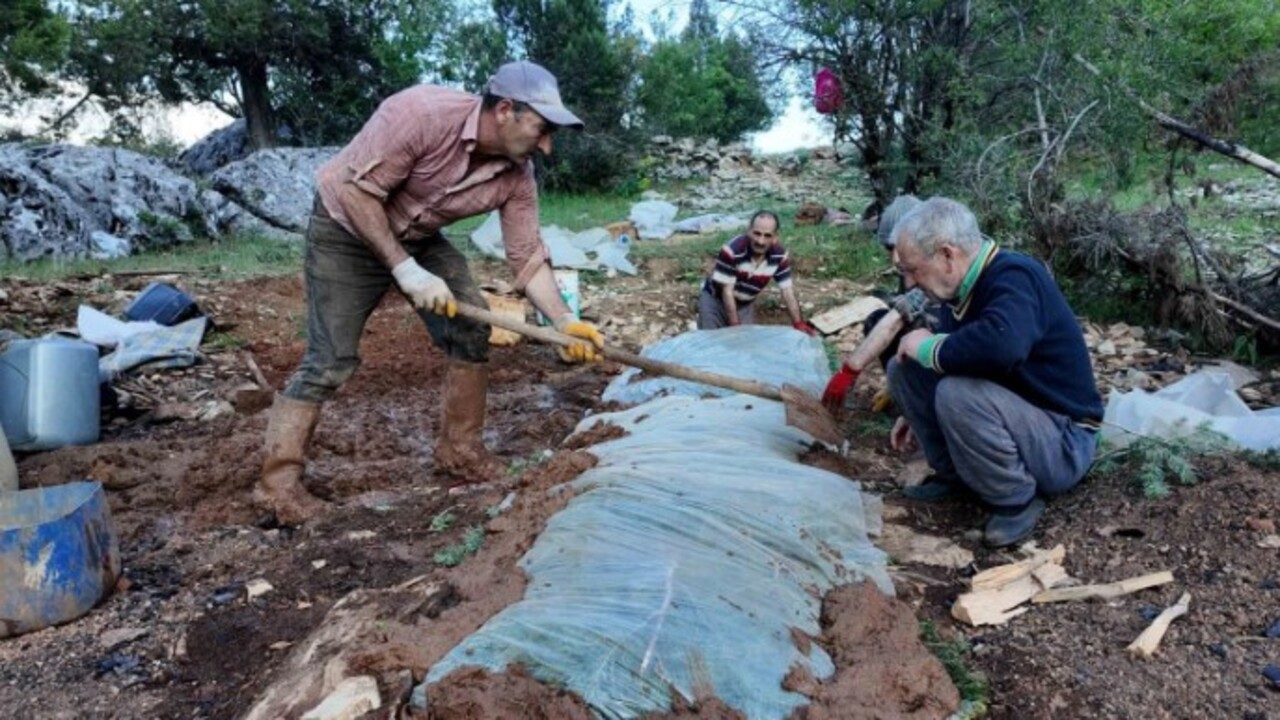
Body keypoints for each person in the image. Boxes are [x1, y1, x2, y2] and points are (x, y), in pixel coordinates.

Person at [257, 61, 606, 525]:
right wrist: (405, 270)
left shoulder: (517, 175)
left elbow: (526, 257)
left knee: (470, 324)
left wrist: (564, 323)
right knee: (329, 360)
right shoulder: (420, 114)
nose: (546, 145)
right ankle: (276, 487)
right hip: (346, 227)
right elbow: (355, 191)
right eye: (542, 129)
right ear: (505, 110)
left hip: (418, 235)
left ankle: (459, 451)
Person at [883, 197, 1102, 547]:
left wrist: (928, 348)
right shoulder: (959, 291)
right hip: (1023, 417)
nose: (909, 283)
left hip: (1063, 441)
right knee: (904, 369)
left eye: (912, 270)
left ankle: (1015, 499)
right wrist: (916, 404)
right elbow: (966, 356)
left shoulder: (1015, 276)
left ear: (947, 255)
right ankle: (956, 477)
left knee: (956, 393)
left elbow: (1002, 348)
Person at [696, 210, 817, 334]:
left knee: (742, 346)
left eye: (767, 235)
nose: (761, 241)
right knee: (710, 341)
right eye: (757, 233)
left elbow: (787, 292)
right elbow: (727, 291)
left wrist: (798, 323)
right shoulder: (732, 250)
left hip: (744, 304)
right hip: (715, 300)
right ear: (749, 231)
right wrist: (735, 327)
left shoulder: (779, 256)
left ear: (775, 237)